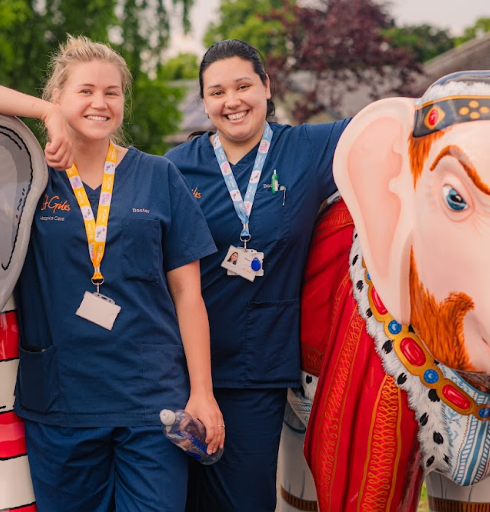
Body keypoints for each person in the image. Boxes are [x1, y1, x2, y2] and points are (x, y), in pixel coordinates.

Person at [0, 35, 224, 512]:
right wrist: (44, 115)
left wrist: (202, 393)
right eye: (85, 91)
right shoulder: (26, 178)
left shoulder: (159, 176)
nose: (100, 102)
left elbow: (188, 296)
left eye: (112, 92)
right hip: (61, 402)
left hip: (151, 403)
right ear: (59, 98)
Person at [164, 39, 351, 512]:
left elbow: (386, 129)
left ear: (267, 87)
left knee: (243, 501)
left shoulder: (306, 150)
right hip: (175, 368)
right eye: (217, 92)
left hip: (255, 372)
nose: (232, 102)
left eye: (244, 85)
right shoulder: (174, 169)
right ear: (204, 101)